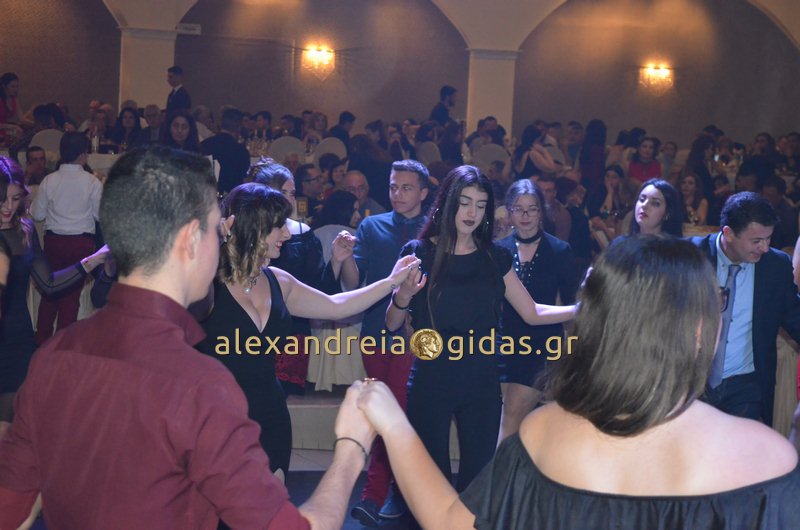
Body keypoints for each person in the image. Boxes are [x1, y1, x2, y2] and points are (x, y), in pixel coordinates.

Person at [0, 145, 382, 529]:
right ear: (190, 241)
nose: (223, 241)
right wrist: (351, 448)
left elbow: (12, 510)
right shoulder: (201, 387)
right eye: (217, 229)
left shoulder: (53, 358)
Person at [359, 235, 800, 530]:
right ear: (701, 330)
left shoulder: (544, 432)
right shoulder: (767, 456)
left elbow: (451, 521)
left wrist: (392, 424)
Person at [194, 183, 421, 482]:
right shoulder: (204, 281)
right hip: (215, 417)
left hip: (270, 414)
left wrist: (392, 281)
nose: (287, 235)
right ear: (254, 226)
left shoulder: (279, 281)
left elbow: (337, 306)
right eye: (279, 226)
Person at [386, 166, 576, 512]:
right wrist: (403, 295)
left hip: (481, 382)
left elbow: (531, 312)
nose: (472, 212)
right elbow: (393, 322)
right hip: (431, 380)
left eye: (481, 204)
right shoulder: (419, 252)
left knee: (476, 489)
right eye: (465, 202)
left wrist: (583, 309)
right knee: (431, 487)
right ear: (448, 203)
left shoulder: (495, 256)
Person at [338, 160, 430, 525]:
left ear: (424, 192)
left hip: (415, 337)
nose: (397, 193)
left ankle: (377, 494)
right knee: (382, 413)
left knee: (397, 412)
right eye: (393, 186)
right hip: (375, 332)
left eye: (406, 187)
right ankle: (390, 490)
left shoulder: (435, 229)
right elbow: (353, 282)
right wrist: (343, 258)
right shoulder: (372, 225)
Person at [0, 157, 107, 423]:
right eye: (2, 200)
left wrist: (95, 259)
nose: (8, 207)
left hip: (16, 342)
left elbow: (49, 284)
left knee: (11, 426)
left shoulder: (24, 231)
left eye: (15, 199)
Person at [691, 192, 800, 426]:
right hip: (692, 382)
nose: (765, 248)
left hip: (746, 385)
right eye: (756, 241)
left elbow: (795, 316)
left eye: (768, 239)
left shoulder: (775, 266)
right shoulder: (691, 256)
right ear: (729, 233)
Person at [495, 180, 576, 443]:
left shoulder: (559, 250)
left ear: (542, 212)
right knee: (504, 422)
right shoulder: (498, 250)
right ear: (509, 212)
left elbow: (573, 304)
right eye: (519, 209)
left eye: (532, 209)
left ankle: (498, 472)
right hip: (501, 345)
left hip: (540, 346)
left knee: (510, 420)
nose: (525, 215)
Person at [29, 131, 103, 344]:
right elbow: (99, 215)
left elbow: (37, 214)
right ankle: (63, 345)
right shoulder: (92, 182)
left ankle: (41, 340)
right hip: (81, 243)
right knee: (71, 297)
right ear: (83, 155)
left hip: (54, 242)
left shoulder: (49, 180)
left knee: (50, 292)